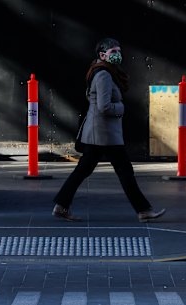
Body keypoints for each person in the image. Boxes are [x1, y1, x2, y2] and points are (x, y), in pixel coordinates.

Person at [52, 37, 166, 223]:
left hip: (100, 133)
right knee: (124, 171)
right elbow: (104, 106)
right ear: (102, 55)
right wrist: (120, 108)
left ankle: (61, 206)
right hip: (104, 134)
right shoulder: (104, 75)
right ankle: (143, 210)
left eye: (118, 51)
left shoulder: (101, 71)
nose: (118, 55)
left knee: (84, 170)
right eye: (113, 52)